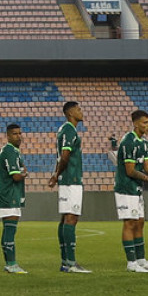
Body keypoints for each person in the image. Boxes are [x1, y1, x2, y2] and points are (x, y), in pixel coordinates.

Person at [115, 109, 148, 272]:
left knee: (140, 222)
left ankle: (141, 259)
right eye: (145, 122)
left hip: (136, 188)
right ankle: (131, 263)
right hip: (125, 187)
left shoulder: (143, 142)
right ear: (135, 123)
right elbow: (130, 170)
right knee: (130, 222)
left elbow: (146, 165)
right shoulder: (128, 141)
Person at [46, 100, 90, 273]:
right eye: (78, 109)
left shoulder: (65, 130)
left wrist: (56, 175)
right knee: (71, 218)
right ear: (70, 113)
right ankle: (70, 263)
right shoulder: (69, 130)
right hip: (71, 179)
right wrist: (57, 174)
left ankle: (65, 262)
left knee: (65, 218)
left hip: (67, 179)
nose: (81, 111)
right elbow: (65, 156)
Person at [0, 122, 27, 274]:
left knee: (9, 229)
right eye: (15, 133)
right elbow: (15, 176)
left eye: (20, 133)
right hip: (9, 194)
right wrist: (23, 174)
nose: (18, 136)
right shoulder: (10, 151)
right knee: (10, 230)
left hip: (8, 193)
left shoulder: (12, 151)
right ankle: (11, 264)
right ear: (7, 136)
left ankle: (9, 263)